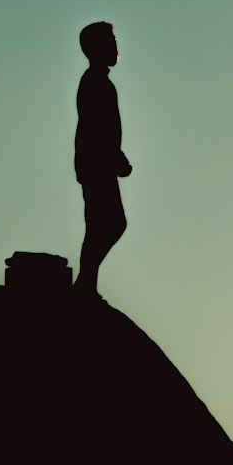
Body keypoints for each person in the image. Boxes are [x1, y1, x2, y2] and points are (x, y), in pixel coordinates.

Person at [74, 22, 132, 295]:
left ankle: (87, 282)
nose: (115, 46)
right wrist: (112, 158)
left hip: (99, 163)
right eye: (109, 41)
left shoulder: (100, 82)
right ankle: (85, 282)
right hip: (96, 165)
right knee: (107, 224)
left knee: (103, 224)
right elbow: (94, 128)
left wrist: (116, 156)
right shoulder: (94, 82)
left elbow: (103, 129)